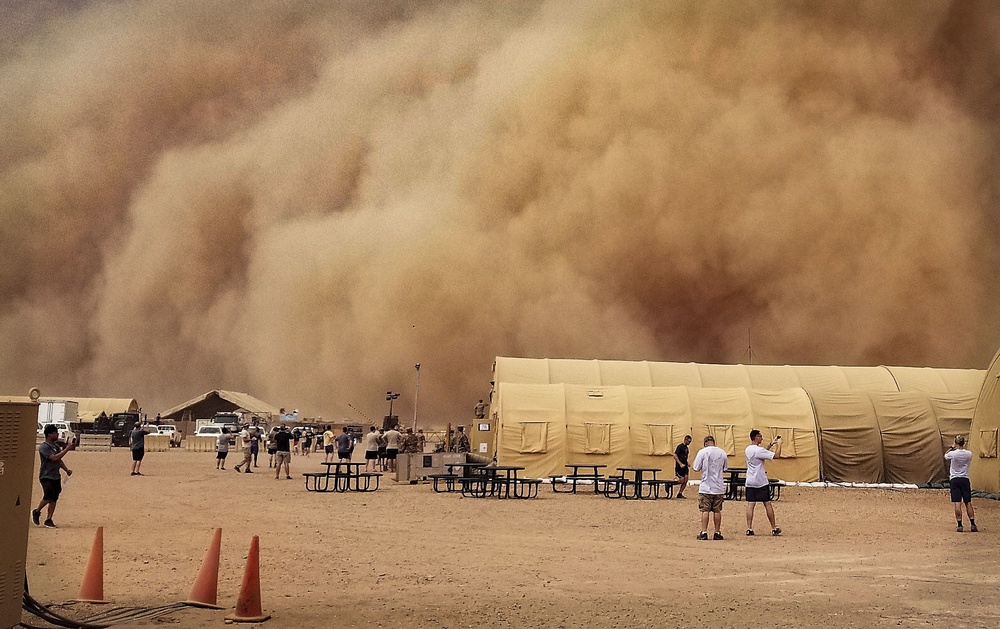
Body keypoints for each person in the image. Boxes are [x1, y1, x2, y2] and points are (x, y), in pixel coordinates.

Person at [32, 424, 75, 528]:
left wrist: (66, 470)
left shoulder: (55, 446)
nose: (57, 434)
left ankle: (49, 519)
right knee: (48, 496)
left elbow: (59, 461)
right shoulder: (44, 447)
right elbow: (54, 458)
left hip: (56, 476)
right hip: (46, 476)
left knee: (54, 498)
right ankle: (37, 511)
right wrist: (67, 449)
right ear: (49, 434)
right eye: (55, 433)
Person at [745, 430, 781, 536]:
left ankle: (749, 528)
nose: (761, 438)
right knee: (767, 504)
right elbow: (776, 456)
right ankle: (773, 527)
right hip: (760, 481)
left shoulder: (748, 449)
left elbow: (762, 453)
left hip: (750, 480)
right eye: (760, 436)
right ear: (756, 437)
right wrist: (779, 445)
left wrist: (770, 444)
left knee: (750, 504)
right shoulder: (759, 450)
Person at [692, 435, 728, 540]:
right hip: (718, 486)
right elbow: (725, 468)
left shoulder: (702, 452)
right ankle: (717, 532)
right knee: (717, 510)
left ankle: (704, 532)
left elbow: (696, 468)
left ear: (705, 443)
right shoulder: (722, 452)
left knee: (705, 510)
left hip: (706, 486)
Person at [945, 435, 977, 532]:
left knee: (957, 502)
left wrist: (951, 447)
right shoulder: (969, 454)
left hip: (955, 479)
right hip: (965, 478)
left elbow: (946, 456)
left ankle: (959, 525)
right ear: (964, 443)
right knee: (968, 502)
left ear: (956, 443)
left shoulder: (953, 454)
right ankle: (972, 524)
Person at [673, 434, 692, 499]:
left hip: (685, 466)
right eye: (688, 441)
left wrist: (687, 463)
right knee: (681, 480)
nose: (689, 443)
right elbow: (675, 455)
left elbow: (684, 457)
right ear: (685, 440)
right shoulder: (680, 447)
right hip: (679, 467)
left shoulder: (686, 448)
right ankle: (670, 484)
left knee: (686, 480)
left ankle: (680, 493)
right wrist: (680, 463)